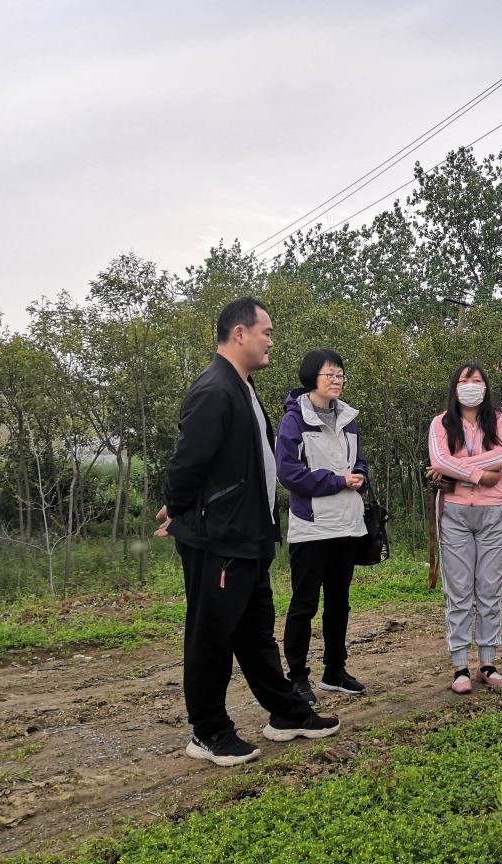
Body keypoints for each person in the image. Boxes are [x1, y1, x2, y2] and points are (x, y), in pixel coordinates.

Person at [155, 297, 340, 767]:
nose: (271, 341)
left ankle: (287, 713)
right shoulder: (213, 389)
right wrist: (179, 509)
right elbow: (187, 463)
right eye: (266, 332)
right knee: (211, 636)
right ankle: (208, 732)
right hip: (218, 538)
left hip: (248, 535)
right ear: (240, 334)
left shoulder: (242, 385)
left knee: (255, 634)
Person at [275, 349, 369, 705]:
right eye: (330, 374)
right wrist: (338, 481)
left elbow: (359, 462)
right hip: (312, 526)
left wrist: (360, 477)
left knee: (339, 603)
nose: (336, 380)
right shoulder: (294, 421)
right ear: (311, 377)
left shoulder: (348, 418)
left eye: (340, 375)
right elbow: (289, 474)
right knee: (304, 604)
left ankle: (335, 670)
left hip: (347, 524)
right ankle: (297, 677)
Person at [427, 364, 502, 693]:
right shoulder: (441, 423)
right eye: (465, 380)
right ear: (455, 387)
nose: (471, 385)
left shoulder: (501, 421)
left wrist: (458, 467)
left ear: (486, 387)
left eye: (477, 380)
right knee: (459, 591)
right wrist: (480, 474)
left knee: (490, 590)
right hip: (454, 513)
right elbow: (438, 460)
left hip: (493, 512)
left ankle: (488, 662)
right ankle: (460, 665)